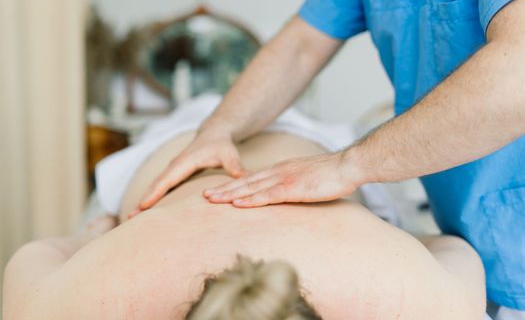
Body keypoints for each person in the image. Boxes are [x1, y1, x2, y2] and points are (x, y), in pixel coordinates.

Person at [137, 0, 525, 318]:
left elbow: (517, 76)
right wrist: (219, 129)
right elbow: (302, 45)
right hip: (472, 239)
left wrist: (347, 166)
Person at [3, 124, 485, 319]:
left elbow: (452, 254)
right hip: (188, 145)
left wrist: (91, 234)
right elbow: (456, 250)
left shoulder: (418, 297)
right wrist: (399, 235)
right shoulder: (413, 300)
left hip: (200, 147)